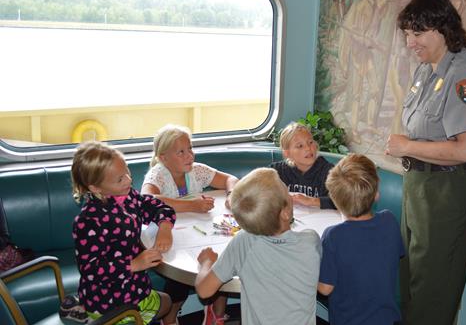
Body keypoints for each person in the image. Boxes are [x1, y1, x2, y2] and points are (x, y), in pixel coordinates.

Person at [385, 0, 466, 325]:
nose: (410, 43)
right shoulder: (425, 71)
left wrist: (406, 147)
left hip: (451, 189)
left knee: (434, 287)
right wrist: (410, 152)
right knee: (410, 275)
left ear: (442, 29)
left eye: (417, 34)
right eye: (407, 35)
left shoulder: (465, 76)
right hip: (422, 183)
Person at [195, 167, 322, 325]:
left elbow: (204, 290)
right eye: (285, 189)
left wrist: (206, 262)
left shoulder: (244, 242)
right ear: (285, 213)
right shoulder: (310, 241)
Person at [141, 124, 238, 325]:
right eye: (181, 152)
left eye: (190, 149)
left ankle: (215, 314)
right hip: (169, 237)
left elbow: (230, 179)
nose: (189, 156)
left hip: (198, 233)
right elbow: (146, 199)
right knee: (179, 279)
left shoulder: (197, 171)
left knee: (221, 260)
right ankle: (170, 318)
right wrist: (191, 205)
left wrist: (231, 195)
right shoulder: (158, 175)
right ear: (163, 158)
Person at [71, 141, 175, 325]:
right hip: (107, 300)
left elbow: (155, 205)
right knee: (164, 303)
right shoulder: (88, 222)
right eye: (120, 179)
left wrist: (165, 226)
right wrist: (132, 265)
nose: (128, 180)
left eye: (126, 172)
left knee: (166, 301)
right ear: (95, 188)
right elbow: (91, 270)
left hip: (135, 288)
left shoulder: (128, 197)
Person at [318, 153, 404, 325]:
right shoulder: (389, 221)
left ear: (334, 200)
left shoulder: (333, 236)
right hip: (388, 319)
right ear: (376, 194)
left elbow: (325, 289)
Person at [270, 122, 336, 209]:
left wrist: (312, 201)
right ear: (287, 153)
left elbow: (344, 201)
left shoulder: (329, 172)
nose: (308, 148)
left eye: (310, 142)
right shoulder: (277, 171)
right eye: (300, 146)